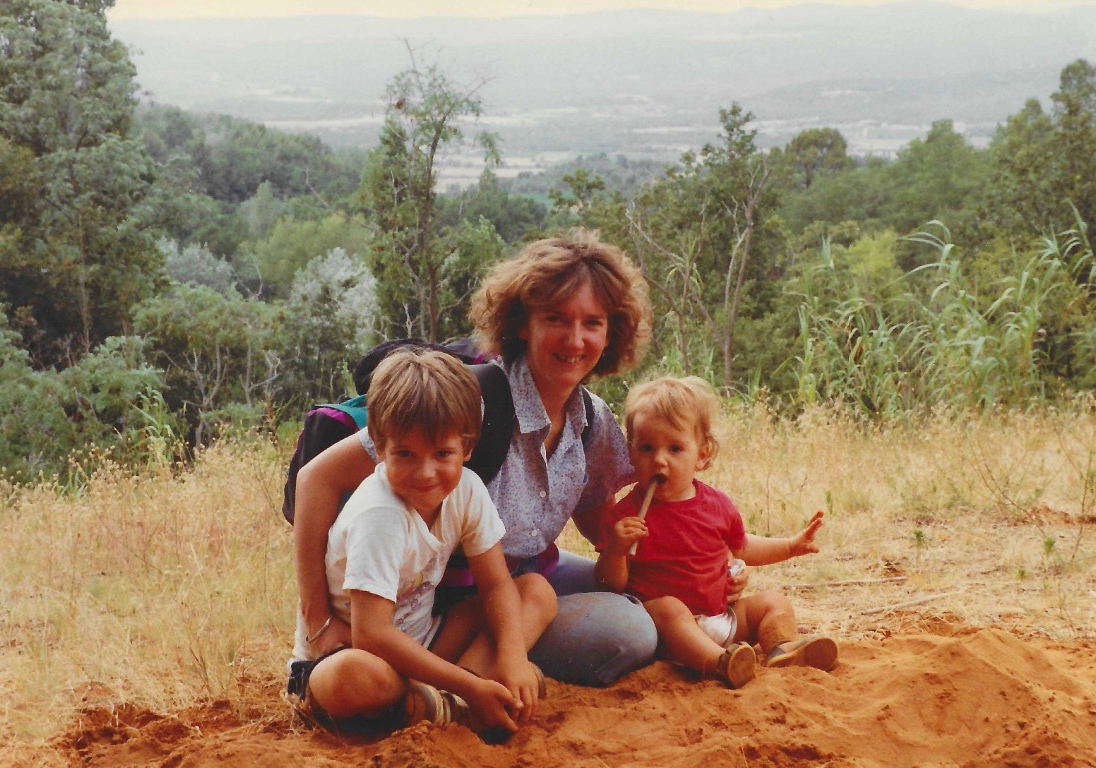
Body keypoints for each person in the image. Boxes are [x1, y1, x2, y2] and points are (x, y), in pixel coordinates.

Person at [295, 229, 666, 687]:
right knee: (626, 632)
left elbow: (600, 521)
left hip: (526, 577)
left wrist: (694, 560)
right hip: (442, 599)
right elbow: (316, 478)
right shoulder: (474, 399)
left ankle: (464, 680)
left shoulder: (592, 421)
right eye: (556, 319)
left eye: (592, 323)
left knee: (646, 604)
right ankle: (473, 676)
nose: (574, 340)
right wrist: (317, 620)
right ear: (522, 323)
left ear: (611, 333)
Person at [287, 348, 557, 738]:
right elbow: (372, 634)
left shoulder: (467, 489)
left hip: (423, 642)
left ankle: (448, 700)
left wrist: (514, 656)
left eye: (443, 453)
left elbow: (496, 583)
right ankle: (468, 693)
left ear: (467, 447)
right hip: (354, 652)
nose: (425, 472)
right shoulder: (379, 512)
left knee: (534, 590)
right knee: (356, 677)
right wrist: (471, 685)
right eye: (406, 454)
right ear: (379, 447)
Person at [594, 376, 838, 688]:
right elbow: (609, 585)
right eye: (646, 447)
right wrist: (615, 550)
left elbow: (742, 547)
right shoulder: (625, 517)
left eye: (675, 448)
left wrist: (790, 546)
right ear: (630, 453)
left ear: (703, 454)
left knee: (772, 602)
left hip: (723, 618)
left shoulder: (717, 505)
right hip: (668, 634)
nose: (659, 459)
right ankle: (719, 664)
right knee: (669, 608)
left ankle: (782, 649)